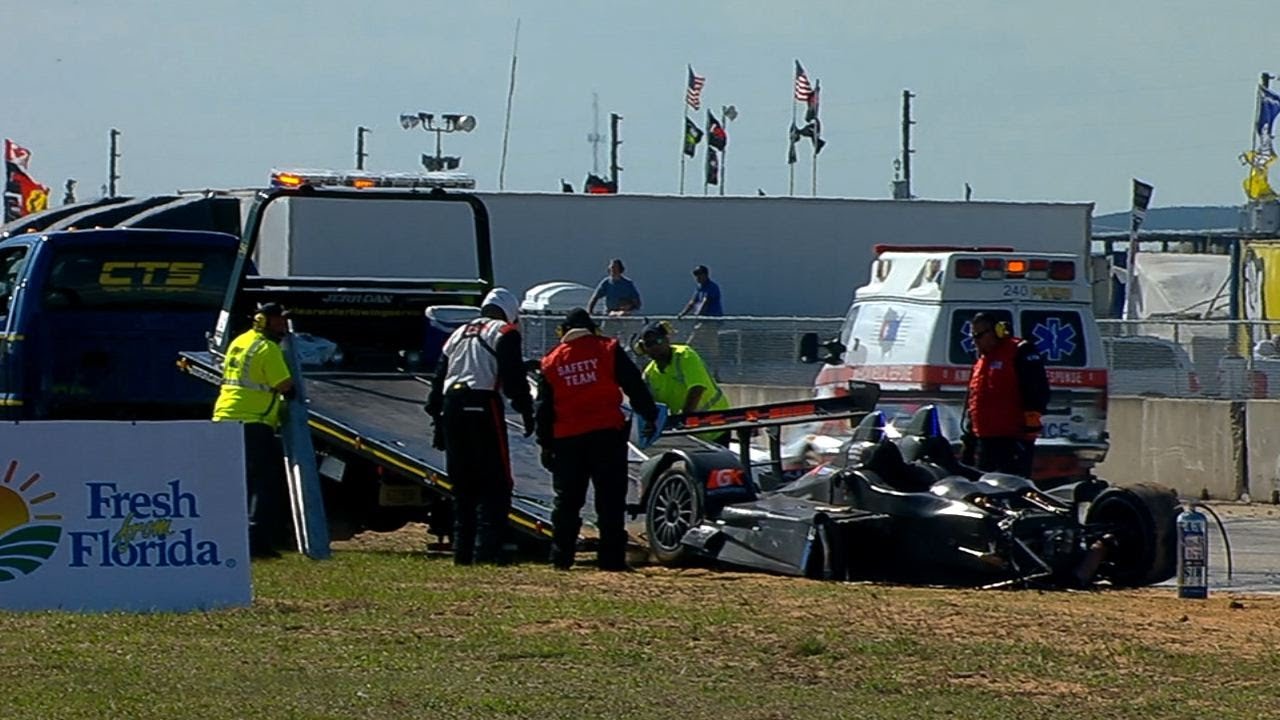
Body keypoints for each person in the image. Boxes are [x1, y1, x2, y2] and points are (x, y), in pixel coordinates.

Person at [537, 308, 659, 571]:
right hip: (606, 435)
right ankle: (611, 559)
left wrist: (545, 445)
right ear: (592, 327)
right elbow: (633, 384)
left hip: (567, 439)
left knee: (567, 501)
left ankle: (561, 558)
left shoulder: (551, 361)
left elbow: (543, 409)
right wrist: (649, 414)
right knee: (610, 500)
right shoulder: (608, 348)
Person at [424, 288, 535, 565]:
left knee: (463, 486)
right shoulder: (505, 332)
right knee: (496, 483)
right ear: (510, 311)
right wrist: (526, 410)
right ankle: (488, 552)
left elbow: (439, 379)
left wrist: (438, 422)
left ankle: (462, 554)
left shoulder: (457, 334)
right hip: (483, 404)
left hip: (452, 407)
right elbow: (512, 379)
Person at [212, 302, 295, 559]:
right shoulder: (267, 348)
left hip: (225, 416)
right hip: (253, 420)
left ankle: (226, 536)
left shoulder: (240, 341)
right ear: (263, 320)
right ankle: (256, 541)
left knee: (236, 483)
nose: (284, 325)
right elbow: (285, 386)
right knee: (264, 483)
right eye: (279, 320)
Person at [962, 312, 1050, 478]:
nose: (975, 341)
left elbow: (1037, 389)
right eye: (973, 336)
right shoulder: (983, 360)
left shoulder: (1019, 352)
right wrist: (970, 435)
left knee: (1012, 486)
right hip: (985, 439)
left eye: (979, 335)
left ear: (997, 331)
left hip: (1013, 438)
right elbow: (976, 398)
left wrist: (1030, 421)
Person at [638, 320, 731, 445]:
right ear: (643, 348)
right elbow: (650, 404)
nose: (655, 347)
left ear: (667, 340)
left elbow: (697, 388)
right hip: (690, 433)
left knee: (719, 463)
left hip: (714, 424)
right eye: (649, 344)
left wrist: (683, 418)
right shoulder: (649, 374)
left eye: (658, 341)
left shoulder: (684, 355)